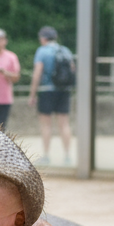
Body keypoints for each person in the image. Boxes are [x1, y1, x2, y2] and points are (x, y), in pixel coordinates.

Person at [28, 24, 74, 165]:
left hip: (47, 90)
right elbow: (72, 70)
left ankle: (46, 156)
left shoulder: (42, 51)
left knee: (46, 125)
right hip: (64, 91)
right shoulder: (65, 50)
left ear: (43, 38)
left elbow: (37, 74)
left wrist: (32, 94)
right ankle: (67, 156)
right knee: (64, 124)